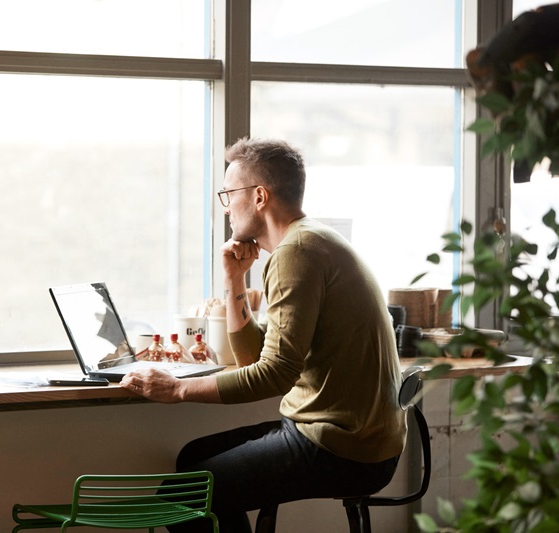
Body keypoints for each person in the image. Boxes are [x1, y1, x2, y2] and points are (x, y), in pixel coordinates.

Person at [120, 137, 406, 532]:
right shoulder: (310, 241)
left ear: (259, 197)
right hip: (349, 437)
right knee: (192, 458)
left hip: (343, 448)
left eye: (228, 194)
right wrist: (234, 278)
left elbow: (275, 373)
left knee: (181, 497)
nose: (225, 207)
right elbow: (253, 357)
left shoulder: (297, 253)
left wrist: (178, 389)